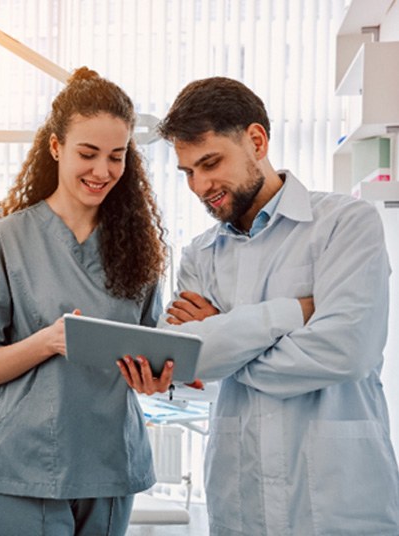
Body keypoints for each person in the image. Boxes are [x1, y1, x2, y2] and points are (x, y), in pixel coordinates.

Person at [121, 76, 399, 535]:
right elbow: (194, 370)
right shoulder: (200, 254)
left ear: (256, 140)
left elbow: (346, 352)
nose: (200, 185)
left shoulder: (346, 226)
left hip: (338, 500)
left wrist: (223, 340)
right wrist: (292, 315)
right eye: (188, 172)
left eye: (210, 163)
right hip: (241, 500)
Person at [0, 67, 170, 535]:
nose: (103, 171)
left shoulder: (141, 248)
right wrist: (50, 341)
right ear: (56, 147)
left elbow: (152, 349)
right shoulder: (6, 239)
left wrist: (154, 379)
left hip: (111, 462)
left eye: (116, 157)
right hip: (29, 464)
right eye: (88, 154)